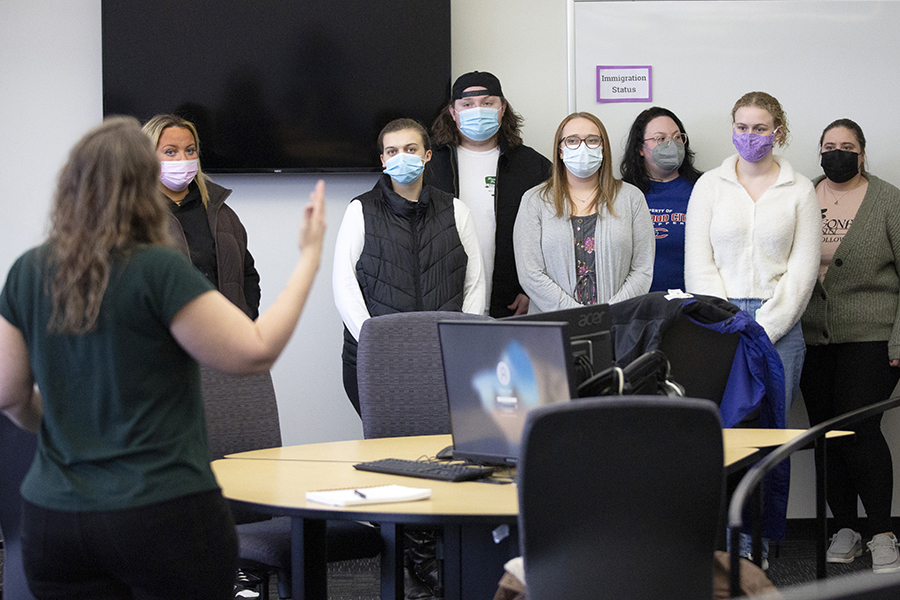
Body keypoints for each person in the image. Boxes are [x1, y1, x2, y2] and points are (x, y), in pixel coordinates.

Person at [0, 116, 326, 599]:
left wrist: (66, 421)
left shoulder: (28, 268)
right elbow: (255, 352)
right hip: (162, 514)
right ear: (142, 185)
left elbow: (8, 394)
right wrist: (309, 258)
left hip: (56, 521)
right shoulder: (158, 268)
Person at [684, 91, 820, 566]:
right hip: (718, 326)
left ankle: (757, 545)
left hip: (780, 326)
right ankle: (722, 546)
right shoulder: (709, 186)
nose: (750, 136)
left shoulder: (800, 189)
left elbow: (802, 274)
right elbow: (698, 264)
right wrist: (728, 322)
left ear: (778, 131)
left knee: (767, 441)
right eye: (742, 127)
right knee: (722, 442)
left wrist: (761, 328)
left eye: (761, 128)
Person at [799, 119, 900, 573]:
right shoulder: (802, 194)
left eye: (847, 146)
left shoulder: (888, 200)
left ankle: (882, 532)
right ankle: (846, 528)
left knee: (860, 430)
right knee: (828, 435)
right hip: (812, 338)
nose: (837, 153)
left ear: (862, 152)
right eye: (828, 146)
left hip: (873, 336)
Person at [333, 118, 485, 416]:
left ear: (427, 155)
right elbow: (344, 286)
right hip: (379, 359)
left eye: (410, 148)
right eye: (392, 151)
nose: (401, 156)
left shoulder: (456, 210)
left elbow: (475, 282)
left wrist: (462, 342)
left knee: (443, 447)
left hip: (445, 358)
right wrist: (375, 345)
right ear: (383, 160)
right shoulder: (359, 210)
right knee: (386, 450)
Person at [428, 71, 552, 317]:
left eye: (487, 103)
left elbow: (551, 234)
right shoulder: (429, 163)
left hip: (508, 302)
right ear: (452, 112)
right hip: (443, 300)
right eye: (468, 104)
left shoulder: (533, 166)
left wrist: (531, 290)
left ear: (503, 108)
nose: (478, 110)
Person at [513, 112, 654, 313]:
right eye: (572, 140)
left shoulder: (632, 198)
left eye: (592, 140)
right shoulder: (534, 201)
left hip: (618, 325)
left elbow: (642, 270)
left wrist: (608, 314)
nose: (583, 146)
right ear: (560, 150)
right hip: (554, 325)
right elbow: (530, 273)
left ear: (603, 148)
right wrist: (578, 316)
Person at [142, 114, 261, 318]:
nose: (183, 159)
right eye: (171, 152)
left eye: (190, 150)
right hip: (168, 345)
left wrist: (246, 318)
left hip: (227, 338)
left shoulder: (220, 211)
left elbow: (247, 274)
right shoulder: (135, 217)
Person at [620, 107, 703, 292]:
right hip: (637, 307)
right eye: (660, 139)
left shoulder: (704, 188)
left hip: (694, 305)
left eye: (677, 137)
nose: (671, 144)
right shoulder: (623, 194)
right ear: (640, 148)